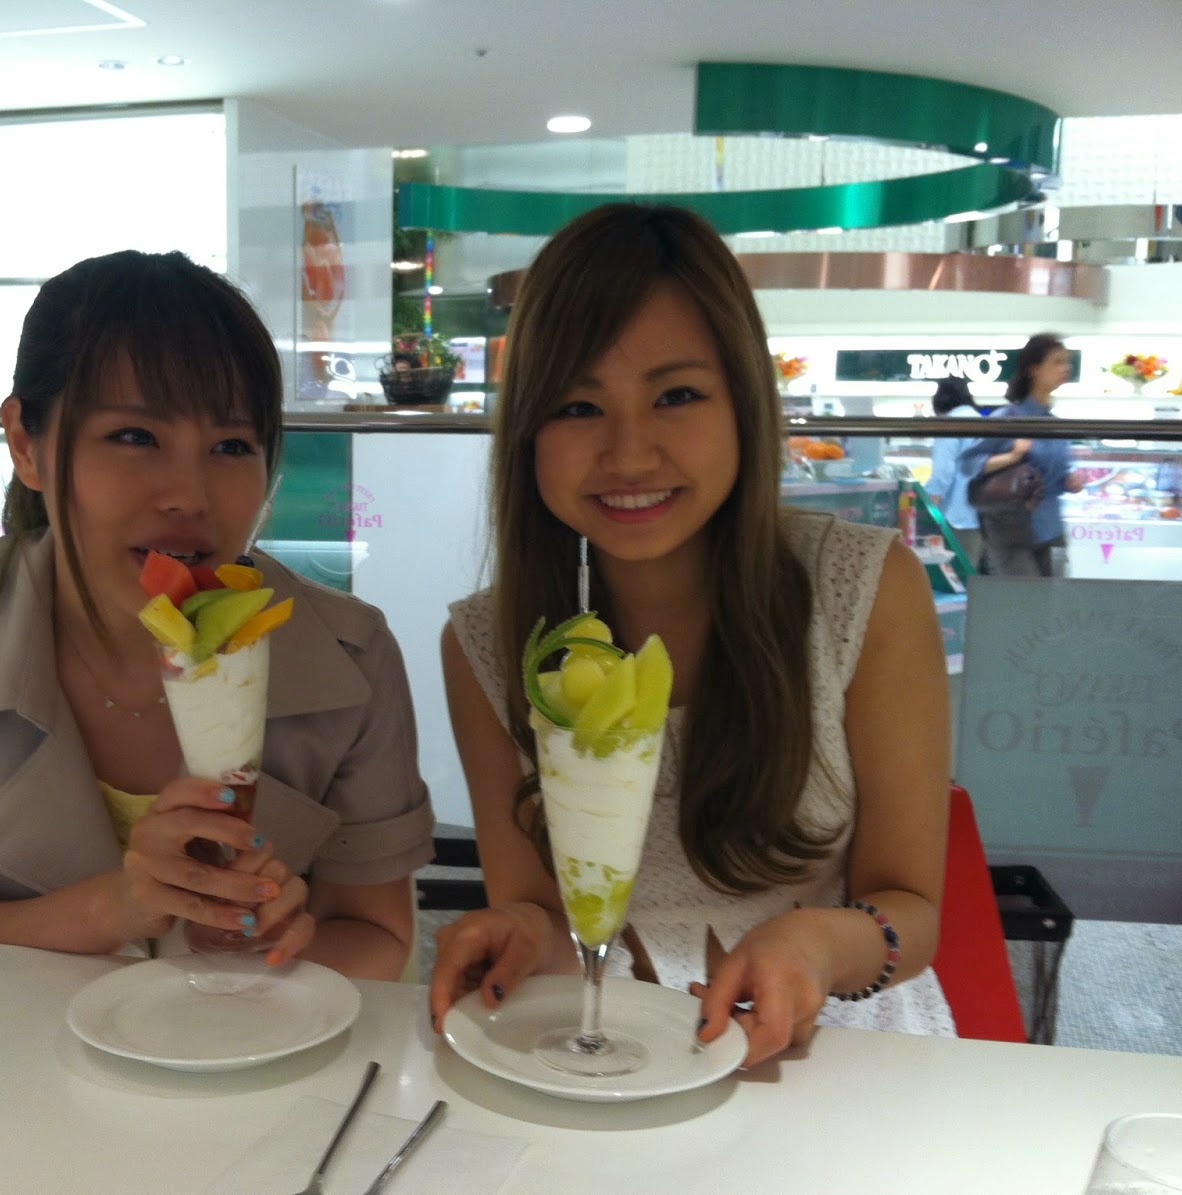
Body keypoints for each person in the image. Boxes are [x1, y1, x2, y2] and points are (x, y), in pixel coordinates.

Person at [428, 204, 955, 1067]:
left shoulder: (865, 589)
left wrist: (816, 944)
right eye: (577, 405)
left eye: (676, 395)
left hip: (835, 1060)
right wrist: (515, 929)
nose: (630, 453)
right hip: (606, 1053)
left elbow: (913, 910)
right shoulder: (487, 644)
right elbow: (543, 917)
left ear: (744, 401)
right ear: (527, 434)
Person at [0, 250, 434, 980]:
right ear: (27, 444)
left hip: (259, 1043)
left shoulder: (349, 657)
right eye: (134, 437)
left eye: (231, 446)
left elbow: (378, 936)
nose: (189, 495)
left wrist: (263, 946)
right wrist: (117, 906)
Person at [961, 334, 1084, 577]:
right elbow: (967, 464)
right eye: (1057, 362)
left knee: (1054, 597)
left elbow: (1054, 476)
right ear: (1034, 369)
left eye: (1067, 362)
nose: (1066, 368)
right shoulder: (1008, 418)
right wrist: (1012, 456)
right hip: (1010, 531)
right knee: (1024, 596)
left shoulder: (1055, 424)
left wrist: (1068, 482)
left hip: (1050, 527)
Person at [926, 376, 987, 572]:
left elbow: (943, 472)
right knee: (972, 573)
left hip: (956, 515)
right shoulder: (982, 422)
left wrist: (928, 506)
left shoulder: (951, 423)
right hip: (981, 513)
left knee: (956, 575)